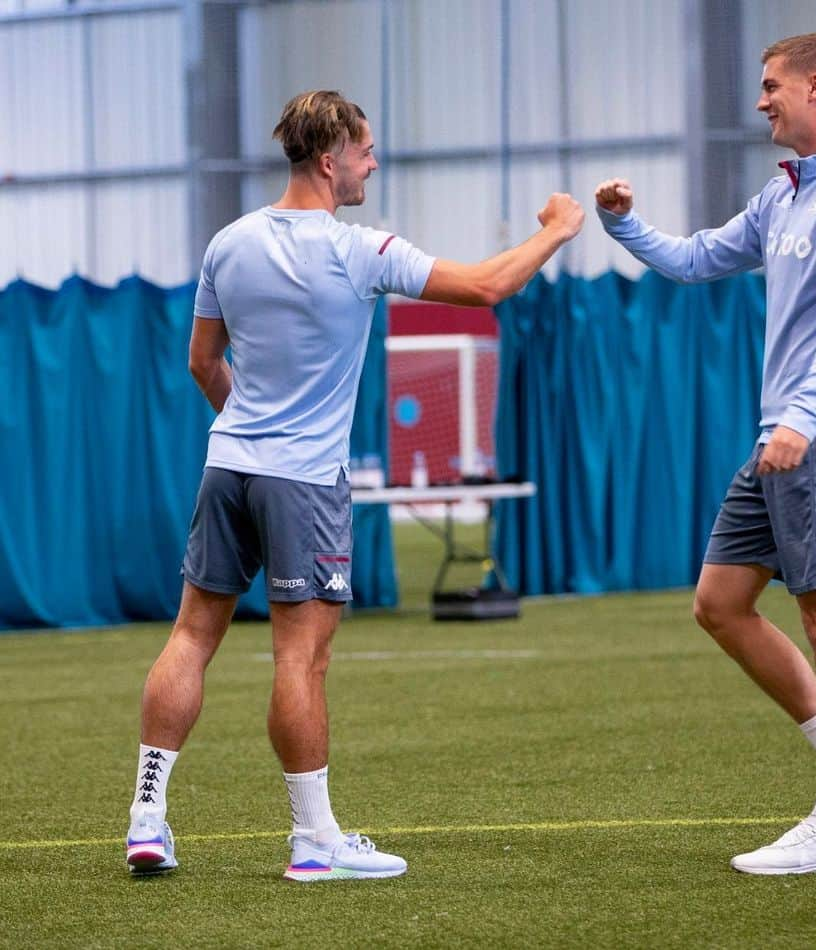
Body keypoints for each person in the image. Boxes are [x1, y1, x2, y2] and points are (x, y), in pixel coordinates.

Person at [125, 90, 584, 882]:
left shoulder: (227, 244)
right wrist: (556, 230)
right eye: (366, 149)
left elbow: (202, 363)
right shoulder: (359, 249)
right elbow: (484, 287)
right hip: (302, 482)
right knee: (298, 662)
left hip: (229, 463)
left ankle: (146, 822)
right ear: (330, 156)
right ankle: (315, 842)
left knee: (191, 636)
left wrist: (252, 433)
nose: (374, 162)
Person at [595, 33, 816, 874]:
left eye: (770, 86)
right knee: (719, 602)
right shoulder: (784, 194)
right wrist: (624, 226)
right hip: (782, 436)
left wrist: (803, 415)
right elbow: (698, 259)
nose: (761, 100)